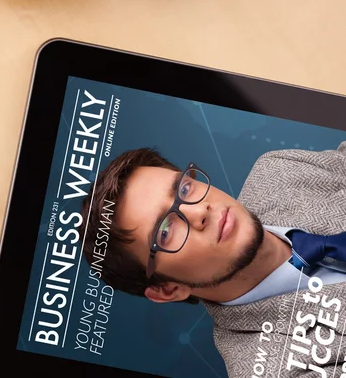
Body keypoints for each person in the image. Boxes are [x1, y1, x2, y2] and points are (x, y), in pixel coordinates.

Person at [81, 143, 346, 377]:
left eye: (184, 188)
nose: (199, 211)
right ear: (168, 289)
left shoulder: (277, 170)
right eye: (165, 231)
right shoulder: (272, 370)